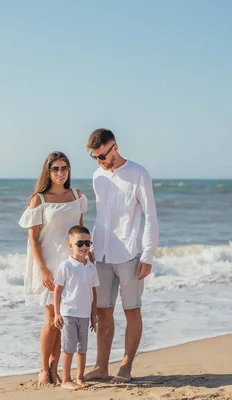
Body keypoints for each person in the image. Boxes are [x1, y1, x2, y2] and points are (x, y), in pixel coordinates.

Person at [83, 128, 159, 384]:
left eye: (102, 156)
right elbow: (101, 216)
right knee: (103, 312)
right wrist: (90, 248)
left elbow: (150, 217)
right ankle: (101, 367)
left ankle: (125, 367)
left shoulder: (139, 174)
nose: (100, 162)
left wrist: (147, 254)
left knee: (131, 311)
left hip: (129, 254)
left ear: (114, 147)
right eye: (95, 158)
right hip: (101, 254)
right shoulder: (97, 177)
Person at [18, 151, 88, 386]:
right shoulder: (40, 199)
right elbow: (33, 238)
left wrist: (87, 257)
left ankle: (53, 368)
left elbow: (80, 232)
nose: (60, 172)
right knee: (51, 318)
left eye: (64, 168)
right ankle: (42, 369)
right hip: (48, 265)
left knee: (64, 319)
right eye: (55, 168)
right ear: (48, 172)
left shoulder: (77, 196)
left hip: (71, 266)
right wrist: (42, 269)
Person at [53, 225, 99, 390]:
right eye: (80, 243)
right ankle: (66, 380)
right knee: (69, 348)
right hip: (68, 313)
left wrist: (94, 315)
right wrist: (57, 313)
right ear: (70, 245)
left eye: (87, 243)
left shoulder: (91, 267)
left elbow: (93, 292)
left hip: (85, 315)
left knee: (82, 348)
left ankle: (79, 378)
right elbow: (57, 290)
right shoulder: (67, 266)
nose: (84, 246)